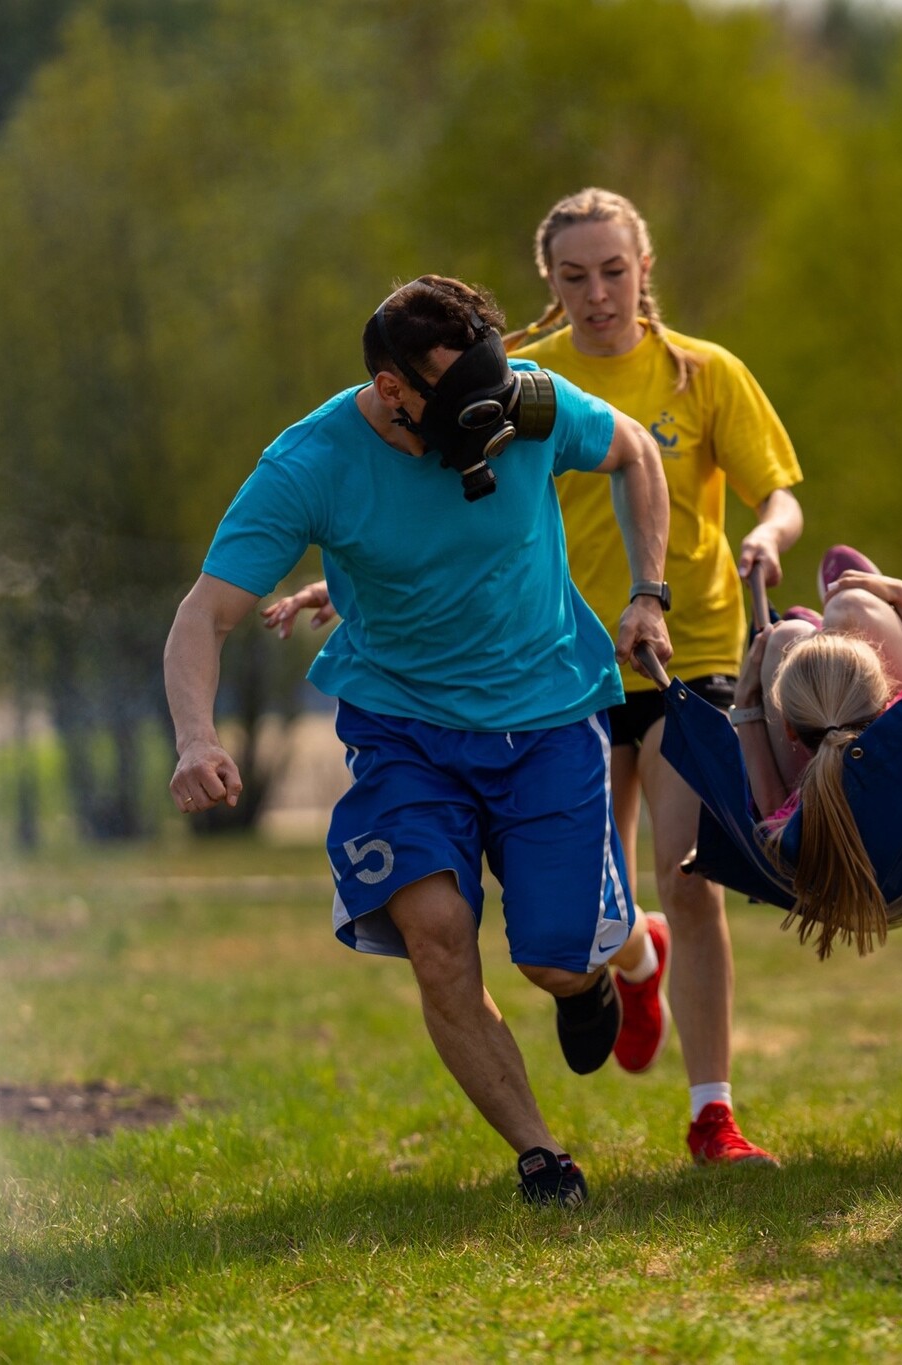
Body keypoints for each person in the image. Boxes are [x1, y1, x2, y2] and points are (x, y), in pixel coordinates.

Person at [268, 190, 804, 1167]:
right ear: (547, 286)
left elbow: (776, 489)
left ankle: (712, 1114)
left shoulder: (706, 374)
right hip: (556, 676)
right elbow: (431, 529)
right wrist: (340, 587)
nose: (597, 293)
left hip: (689, 646)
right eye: (573, 276)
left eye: (614, 270)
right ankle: (628, 959)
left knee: (690, 873)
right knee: (575, 937)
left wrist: (765, 534)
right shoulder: (512, 381)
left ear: (646, 268)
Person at [166, 276, 672, 1209]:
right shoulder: (311, 464)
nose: (489, 413)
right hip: (406, 730)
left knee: (553, 959)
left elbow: (638, 452)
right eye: (459, 399)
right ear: (394, 391)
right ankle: (541, 1158)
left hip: (550, 712)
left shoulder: (531, 399)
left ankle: (595, 976)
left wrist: (649, 592)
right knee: (438, 934)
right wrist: (196, 739)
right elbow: (206, 614)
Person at [727, 551, 902, 958]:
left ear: (788, 731)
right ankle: (840, 627)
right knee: (851, 605)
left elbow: (769, 825)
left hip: (812, 764)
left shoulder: (799, 820)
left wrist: (747, 703)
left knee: (783, 640)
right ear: (887, 696)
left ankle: (812, 639)